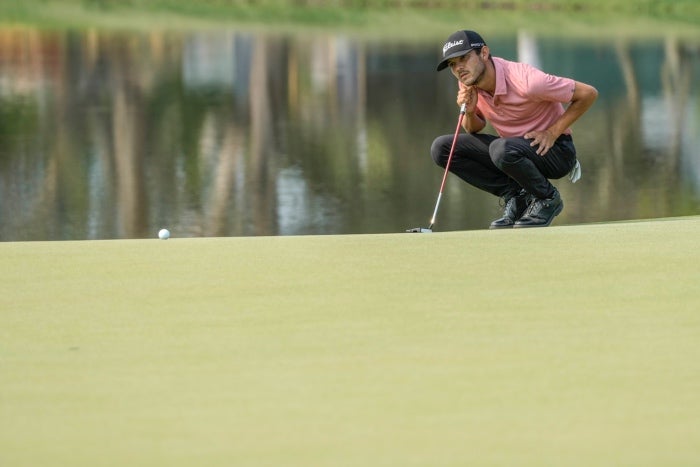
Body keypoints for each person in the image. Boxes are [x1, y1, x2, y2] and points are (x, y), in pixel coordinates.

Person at [430, 30, 598, 228]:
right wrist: (470, 111)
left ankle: (548, 199)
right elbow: (474, 129)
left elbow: (588, 94)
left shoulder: (528, 82)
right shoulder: (468, 81)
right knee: (441, 148)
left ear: (484, 53)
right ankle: (517, 196)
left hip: (556, 151)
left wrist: (553, 132)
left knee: (501, 149)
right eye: (452, 64)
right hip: (512, 151)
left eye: (464, 59)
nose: (459, 68)